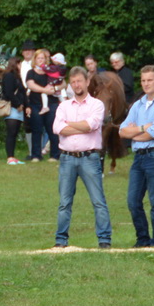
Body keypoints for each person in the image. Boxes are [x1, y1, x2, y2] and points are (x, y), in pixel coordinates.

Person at [52, 65, 111, 248]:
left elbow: (91, 126)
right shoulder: (63, 106)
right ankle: (61, 241)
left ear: (87, 82)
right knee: (64, 202)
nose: (76, 85)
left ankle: (104, 240)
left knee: (98, 201)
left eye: (79, 81)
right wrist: (81, 126)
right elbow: (57, 128)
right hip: (67, 158)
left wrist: (69, 124)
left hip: (89, 158)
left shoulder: (97, 105)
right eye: (73, 82)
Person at [119, 65, 154, 248]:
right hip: (139, 158)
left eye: (150, 80)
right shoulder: (137, 104)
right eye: (143, 80)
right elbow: (122, 131)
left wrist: (133, 133)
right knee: (133, 200)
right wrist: (143, 127)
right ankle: (142, 239)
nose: (146, 84)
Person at [24, 48, 61, 162]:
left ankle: (55, 155)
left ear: (46, 60)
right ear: (35, 59)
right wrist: (45, 90)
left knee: (52, 129)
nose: (41, 60)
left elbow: (63, 83)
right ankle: (36, 155)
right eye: (38, 58)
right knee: (37, 129)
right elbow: (31, 85)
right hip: (35, 104)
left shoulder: (51, 71)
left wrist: (55, 88)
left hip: (51, 103)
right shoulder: (31, 72)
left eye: (43, 58)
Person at [0, 47, 30, 164]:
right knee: (11, 132)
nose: (21, 66)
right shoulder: (9, 76)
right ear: (15, 64)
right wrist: (17, 104)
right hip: (12, 108)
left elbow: (23, 92)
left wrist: (26, 105)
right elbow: (9, 92)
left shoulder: (17, 77)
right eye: (19, 63)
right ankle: (9, 157)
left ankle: (12, 156)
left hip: (19, 108)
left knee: (15, 133)